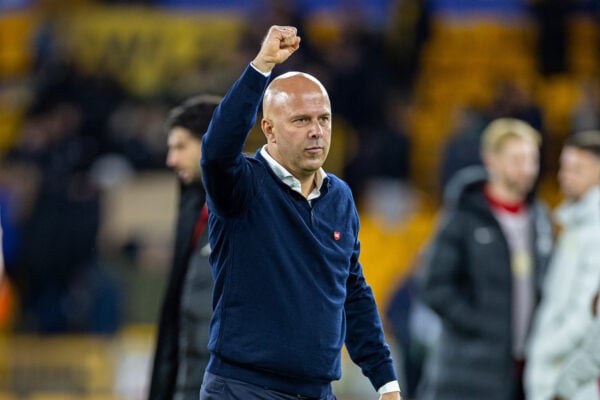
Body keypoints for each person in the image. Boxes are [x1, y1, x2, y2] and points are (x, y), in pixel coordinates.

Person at [199, 26, 401, 400]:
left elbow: (352, 292)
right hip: (243, 389)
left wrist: (386, 381)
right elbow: (215, 152)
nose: (317, 132)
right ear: (269, 130)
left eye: (323, 119)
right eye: (301, 120)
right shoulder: (242, 186)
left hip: (317, 391)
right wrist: (262, 66)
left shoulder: (339, 196)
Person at [417, 118, 554, 400]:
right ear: (491, 160)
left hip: (523, 372)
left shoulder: (540, 219)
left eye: (532, 159)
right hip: (467, 372)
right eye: (518, 159)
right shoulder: (463, 217)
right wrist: (480, 325)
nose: (528, 169)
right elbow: (435, 286)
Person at [147, 95, 221, 400]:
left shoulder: (252, 207)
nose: (171, 160)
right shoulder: (193, 207)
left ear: (209, 143)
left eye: (180, 147)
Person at [525, 130, 600, 400]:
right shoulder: (575, 223)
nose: (563, 176)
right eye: (564, 167)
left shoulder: (595, 229)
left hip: (571, 377)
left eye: (576, 169)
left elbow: (587, 315)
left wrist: (543, 349)